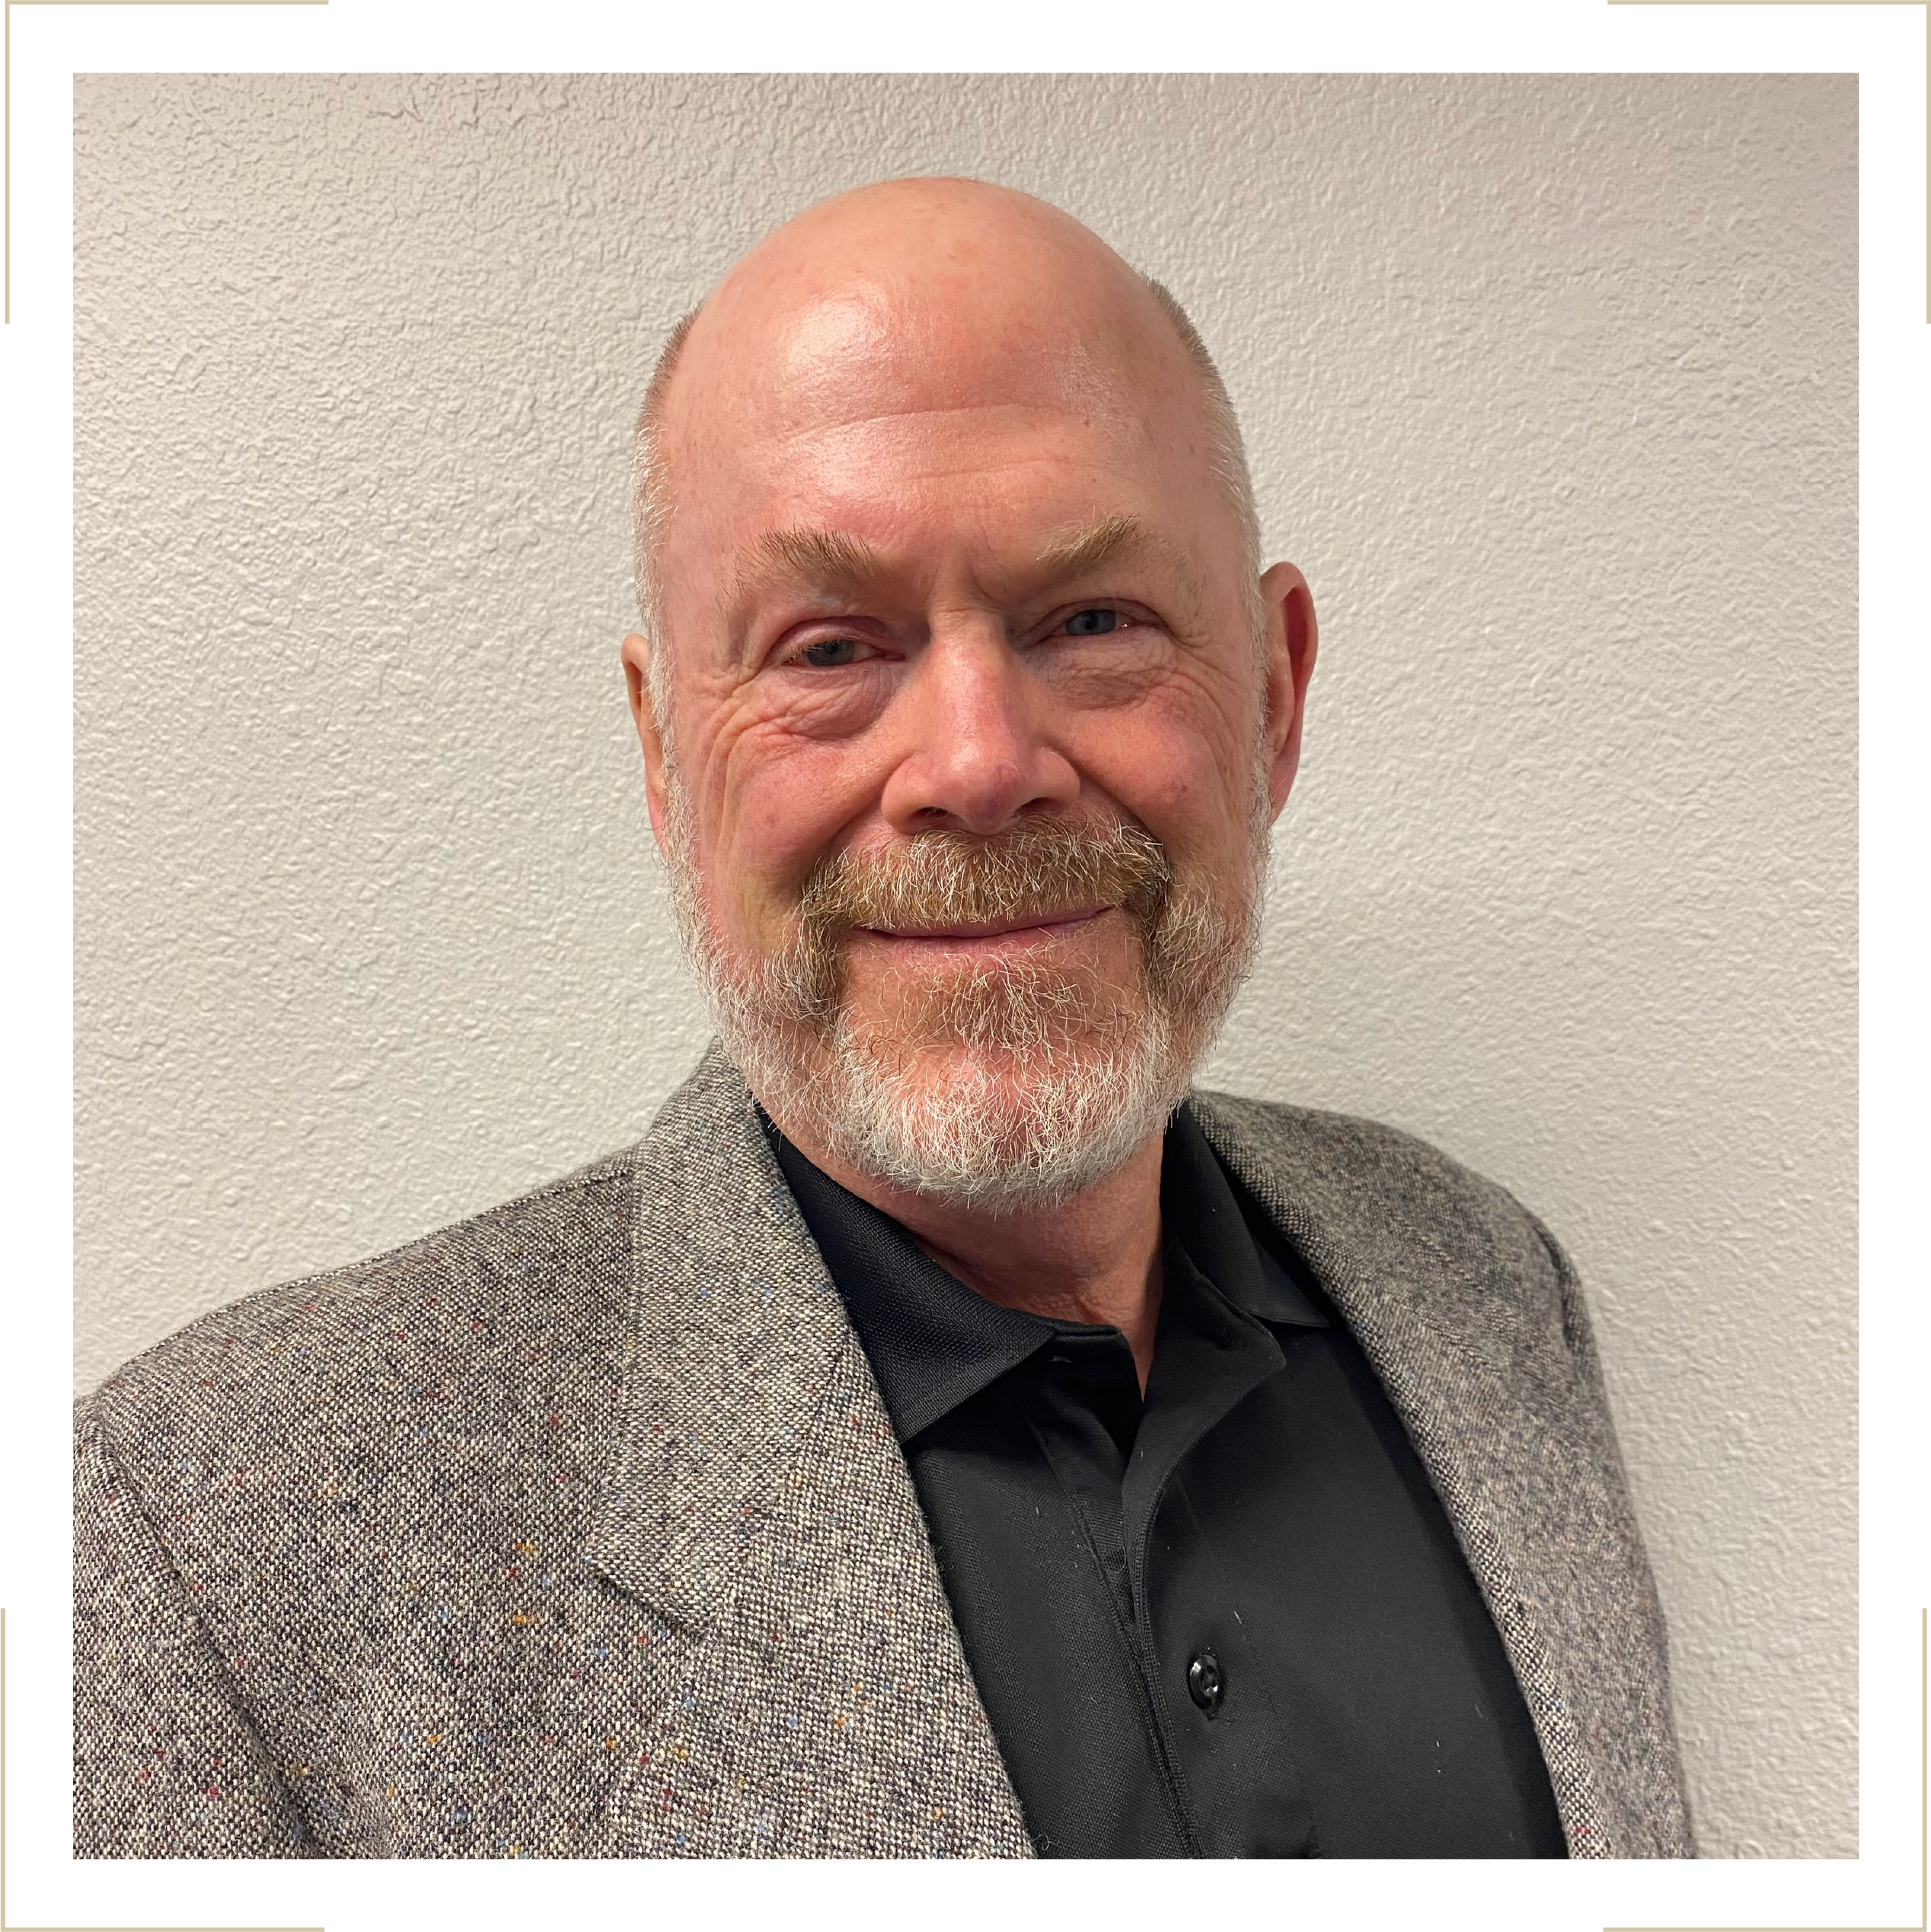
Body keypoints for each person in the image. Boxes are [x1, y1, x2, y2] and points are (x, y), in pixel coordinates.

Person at [73, 177, 1693, 1861]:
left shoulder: (1483, 1287)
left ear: (1275, 695)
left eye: (1093, 621)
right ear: (662, 755)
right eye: (829, 647)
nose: (978, 766)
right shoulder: (208, 1544)